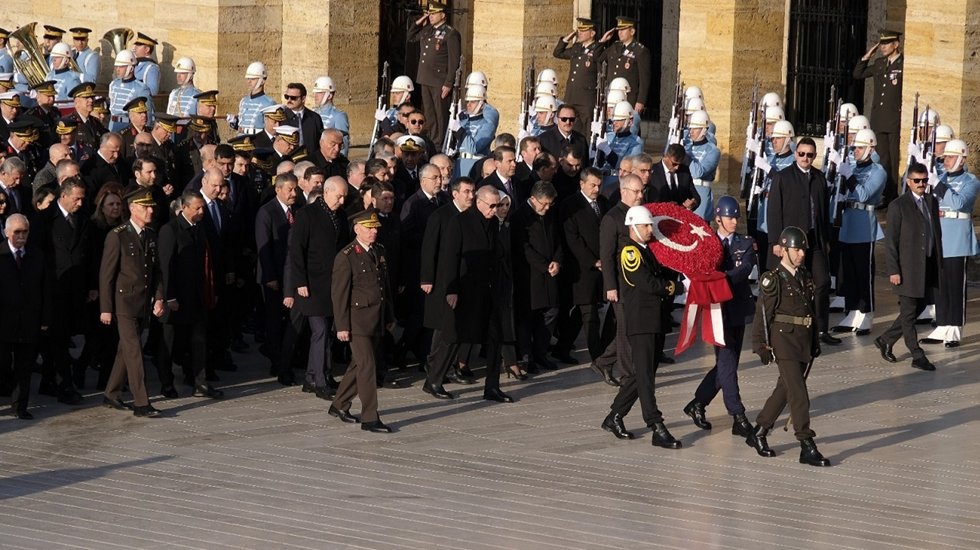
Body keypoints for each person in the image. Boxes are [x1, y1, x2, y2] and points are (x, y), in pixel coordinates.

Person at [600, 205, 680, 448]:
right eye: (645, 225)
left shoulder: (648, 250)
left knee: (643, 373)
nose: (649, 229)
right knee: (645, 376)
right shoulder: (630, 252)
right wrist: (673, 287)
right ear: (633, 226)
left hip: (654, 319)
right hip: (642, 320)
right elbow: (645, 282)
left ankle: (615, 416)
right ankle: (655, 425)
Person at [751, 226, 831, 467]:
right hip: (783, 342)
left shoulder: (804, 276)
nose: (801, 255)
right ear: (784, 250)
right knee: (799, 395)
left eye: (802, 250)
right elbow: (763, 315)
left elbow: (810, 311)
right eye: (796, 250)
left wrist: (815, 340)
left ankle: (759, 432)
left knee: (785, 390)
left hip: (802, 341)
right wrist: (760, 345)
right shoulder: (772, 279)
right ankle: (806, 443)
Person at [683, 196, 757, 440]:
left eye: (736, 217)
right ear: (717, 218)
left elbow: (745, 269)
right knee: (726, 362)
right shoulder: (706, 242)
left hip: (738, 307)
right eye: (729, 217)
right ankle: (737, 415)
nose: (734, 221)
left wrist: (720, 279)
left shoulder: (745, 242)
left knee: (729, 363)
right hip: (716, 309)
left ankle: (698, 403)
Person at [766, 137, 839, 346]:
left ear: (814, 156)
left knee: (823, 282)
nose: (805, 158)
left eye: (809, 155)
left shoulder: (819, 178)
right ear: (795, 153)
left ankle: (821, 329)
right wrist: (775, 241)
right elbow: (774, 211)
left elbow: (824, 211)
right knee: (791, 284)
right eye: (801, 154)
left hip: (815, 240)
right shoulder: (783, 177)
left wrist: (826, 239)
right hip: (791, 243)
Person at [100, 187, 166, 418]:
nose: (150, 211)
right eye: (145, 207)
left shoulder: (150, 234)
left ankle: (112, 392)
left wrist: (159, 297)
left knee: (125, 351)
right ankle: (141, 402)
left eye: (151, 207)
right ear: (132, 209)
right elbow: (106, 275)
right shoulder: (117, 235)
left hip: (143, 302)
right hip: (123, 302)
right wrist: (106, 308)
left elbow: (156, 271)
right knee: (134, 350)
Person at [329, 209, 396, 433]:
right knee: (368, 366)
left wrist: (389, 316)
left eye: (376, 227)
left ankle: (339, 404)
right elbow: (339, 295)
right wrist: (342, 326)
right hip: (356, 321)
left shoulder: (379, 251)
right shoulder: (346, 256)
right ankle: (370, 417)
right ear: (357, 229)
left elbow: (384, 288)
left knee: (358, 365)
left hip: (375, 318)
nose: (373, 232)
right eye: (369, 228)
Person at [875, 163, 943, 371]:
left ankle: (886, 339)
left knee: (916, 309)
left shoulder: (931, 201)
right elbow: (891, 242)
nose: (921, 184)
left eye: (924, 181)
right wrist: (893, 270)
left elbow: (935, 233)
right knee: (909, 311)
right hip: (907, 268)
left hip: (928, 265)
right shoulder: (898, 206)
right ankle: (917, 354)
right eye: (917, 181)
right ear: (909, 182)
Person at [157, 190, 224, 399]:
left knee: (199, 341)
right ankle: (166, 383)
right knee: (169, 342)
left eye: (203, 207)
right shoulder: (170, 230)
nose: (201, 211)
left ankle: (200, 382)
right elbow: (165, 266)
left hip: (197, 295)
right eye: (197, 208)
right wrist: (169, 297)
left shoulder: (200, 228)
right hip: (176, 297)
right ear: (184, 208)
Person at [289, 176, 350, 399]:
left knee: (330, 332)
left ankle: (314, 374)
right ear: (326, 192)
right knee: (320, 331)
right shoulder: (307, 214)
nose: (342, 201)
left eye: (345, 196)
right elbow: (296, 250)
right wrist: (300, 282)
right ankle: (319, 382)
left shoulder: (340, 216)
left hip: (333, 285)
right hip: (312, 285)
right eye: (339, 196)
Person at [921, 140, 980, 348]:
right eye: (945, 157)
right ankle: (943, 324)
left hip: (957, 237)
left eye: (951, 157)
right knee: (940, 284)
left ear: (962, 159)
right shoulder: (941, 177)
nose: (946, 161)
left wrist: (938, 184)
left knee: (955, 286)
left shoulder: (970, 181)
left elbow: (958, 203)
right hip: (939, 235)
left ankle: (954, 328)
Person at [831, 128, 886, 334]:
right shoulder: (853, 168)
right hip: (848, 223)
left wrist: (848, 175)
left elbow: (863, 195)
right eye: (854, 147)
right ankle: (852, 310)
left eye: (860, 148)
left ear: (870, 149)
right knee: (849, 273)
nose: (855, 151)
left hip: (864, 225)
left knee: (864, 273)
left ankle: (867, 312)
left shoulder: (878, 171)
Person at [0, 214, 52, 419]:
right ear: (6, 232)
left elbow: (45, 288)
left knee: (25, 366)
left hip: (29, 320)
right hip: (4, 321)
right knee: (2, 364)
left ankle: (20, 406)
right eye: (17, 232)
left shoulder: (36, 255)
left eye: (25, 232)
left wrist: (45, 319)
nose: (21, 236)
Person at [555, 167, 607, 363]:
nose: (596, 189)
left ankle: (562, 348)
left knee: (581, 311)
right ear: (582, 184)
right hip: (581, 268)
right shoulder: (571, 205)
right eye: (592, 185)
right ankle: (598, 357)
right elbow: (572, 239)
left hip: (600, 266)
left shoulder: (603, 202)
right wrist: (592, 261)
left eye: (599, 185)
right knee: (590, 313)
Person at [512, 181, 562, 372]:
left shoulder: (548, 214)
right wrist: (544, 265)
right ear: (533, 199)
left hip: (550, 274)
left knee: (551, 312)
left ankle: (540, 352)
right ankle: (527, 357)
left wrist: (557, 261)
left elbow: (557, 240)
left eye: (550, 204)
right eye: (544, 204)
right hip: (530, 276)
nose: (547, 208)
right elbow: (523, 247)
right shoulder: (520, 217)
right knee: (527, 317)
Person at [255, 173, 298, 384]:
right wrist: (270, 276)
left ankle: (286, 359)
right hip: (274, 276)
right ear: (278, 189)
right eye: (289, 189)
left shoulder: (297, 211)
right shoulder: (267, 212)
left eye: (295, 189)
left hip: (292, 276)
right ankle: (276, 361)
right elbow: (264, 247)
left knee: (290, 321)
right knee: (274, 321)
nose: (294, 193)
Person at [853, 29, 903, 206]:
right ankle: (885, 195)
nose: (883, 47)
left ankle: (893, 196)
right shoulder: (881, 63)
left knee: (894, 159)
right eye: (881, 44)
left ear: (896, 45)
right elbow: (858, 74)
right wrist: (868, 55)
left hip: (894, 119)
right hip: (879, 119)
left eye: (886, 43)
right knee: (883, 159)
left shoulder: (903, 64)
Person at [408, 1, 461, 146]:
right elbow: (411, 36)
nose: (431, 16)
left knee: (440, 115)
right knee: (430, 114)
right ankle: (431, 141)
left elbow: (453, 61)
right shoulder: (427, 30)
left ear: (442, 15)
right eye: (429, 14)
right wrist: (421, 19)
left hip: (439, 80)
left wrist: (449, 82)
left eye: (434, 13)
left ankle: (440, 144)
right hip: (425, 77)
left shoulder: (450, 34)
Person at [553, 18, 607, 136]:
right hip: (572, 95)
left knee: (586, 129)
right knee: (571, 127)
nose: (580, 33)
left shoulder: (597, 50)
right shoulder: (577, 48)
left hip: (586, 98)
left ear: (592, 33)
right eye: (579, 30)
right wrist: (568, 38)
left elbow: (600, 68)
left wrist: (601, 43)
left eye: (583, 30)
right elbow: (558, 53)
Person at [597, 16, 651, 113]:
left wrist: (641, 101)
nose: (619, 32)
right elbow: (598, 58)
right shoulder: (615, 46)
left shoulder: (640, 51)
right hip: (611, 96)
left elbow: (644, 79)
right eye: (619, 30)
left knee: (629, 125)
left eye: (623, 29)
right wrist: (602, 41)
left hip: (628, 98)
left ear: (632, 32)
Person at [233, 62, 276, 135]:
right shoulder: (243, 101)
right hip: (241, 139)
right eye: (248, 79)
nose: (249, 82)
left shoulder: (269, 103)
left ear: (262, 81)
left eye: (253, 79)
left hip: (258, 140)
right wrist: (234, 122)